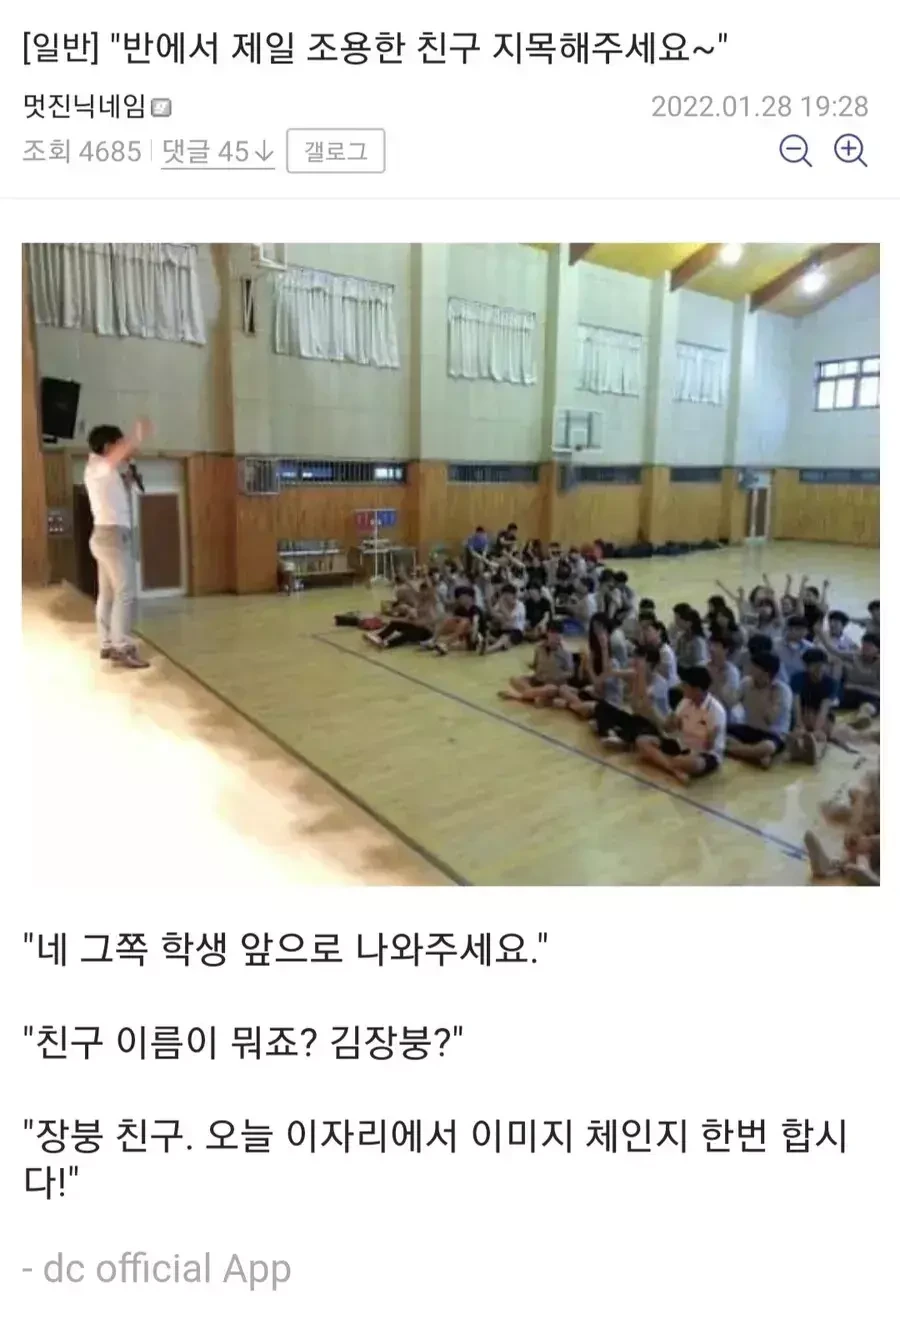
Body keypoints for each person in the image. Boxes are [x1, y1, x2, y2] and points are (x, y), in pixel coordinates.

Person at [84, 418, 151, 668]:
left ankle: (107, 643)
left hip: (105, 537)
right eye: (119, 443)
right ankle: (121, 645)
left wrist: (128, 481)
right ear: (108, 446)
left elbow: (111, 494)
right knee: (125, 592)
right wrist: (137, 436)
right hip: (112, 537)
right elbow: (116, 457)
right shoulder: (99, 466)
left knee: (108, 594)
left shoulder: (101, 470)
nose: (124, 447)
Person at [635, 666, 727, 785]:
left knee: (695, 764)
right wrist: (652, 709)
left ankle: (665, 761)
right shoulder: (685, 702)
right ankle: (674, 769)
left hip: (705, 754)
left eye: (685, 685)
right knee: (642, 741)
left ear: (697, 690)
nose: (682, 687)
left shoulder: (716, 711)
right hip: (683, 745)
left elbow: (708, 746)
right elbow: (668, 728)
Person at [725, 652, 792, 768]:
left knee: (768, 747)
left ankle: (732, 750)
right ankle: (755, 755)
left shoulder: (781, 691)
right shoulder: (747, 682)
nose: (750, 669)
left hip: (772, 734)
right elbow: (731, 702)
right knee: (721, 731)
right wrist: (727, 690)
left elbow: (770, 719)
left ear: (766, 673)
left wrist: (765, 692)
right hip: (749, 728)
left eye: (754, 667)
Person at [498, 621, 574, 705]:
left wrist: (558, 676)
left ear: (561, 636)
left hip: (553, 684)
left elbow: (570, 673)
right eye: (552, 633)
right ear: (548, 633)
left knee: (551, 689)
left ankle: (519, 696)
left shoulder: (566, 653)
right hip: (538, 680)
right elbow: (536, 666)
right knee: (515, 679)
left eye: (558, 634)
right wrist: (530, 666)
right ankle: (535, 696)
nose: (555, 637)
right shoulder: (539, 648)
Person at [786, 647, 835, 764]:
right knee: (797, 733)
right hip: (803, 712)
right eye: (814, 665)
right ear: (806, 666)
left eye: (821, 665)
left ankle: (816, 751)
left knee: (822, 736)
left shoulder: (830, 683)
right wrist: (799, 724)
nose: (818, 669)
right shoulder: (797, 678)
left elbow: (824, 709)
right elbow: (796, 704)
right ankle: (798, 749)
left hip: (820, 715)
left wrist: (817, 730)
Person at [368, 581, 442, 649]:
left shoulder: (432, 604)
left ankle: (387, 644)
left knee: (408, 634)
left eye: (425, 591)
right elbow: (408, 619)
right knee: (395, 623)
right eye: (421, 591)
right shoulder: (420, 603)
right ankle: (379, 637)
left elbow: (417, 622)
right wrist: (389, 618)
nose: (422, 593)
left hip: (427, 633)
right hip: (418, 625)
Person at [481, 584, 527, 654]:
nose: (506, 598)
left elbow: (510, 619)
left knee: (505, 637)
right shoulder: (502, 603)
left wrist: (501, 605)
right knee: (489, 632)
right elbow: (493, 614)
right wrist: (489, 603)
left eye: (507, 596)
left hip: (516, 632)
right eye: (504, 596)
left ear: (513, 595)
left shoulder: (520, 605)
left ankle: (489, 649)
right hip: (503, 630)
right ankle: (504, 645)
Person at [775, 615, 813, 684]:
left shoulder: (810, 648)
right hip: (779, 684)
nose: (803, 632)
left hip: (801, 684)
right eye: (799, 629)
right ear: (789, 629)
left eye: (804, 630)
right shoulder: (775, 644)